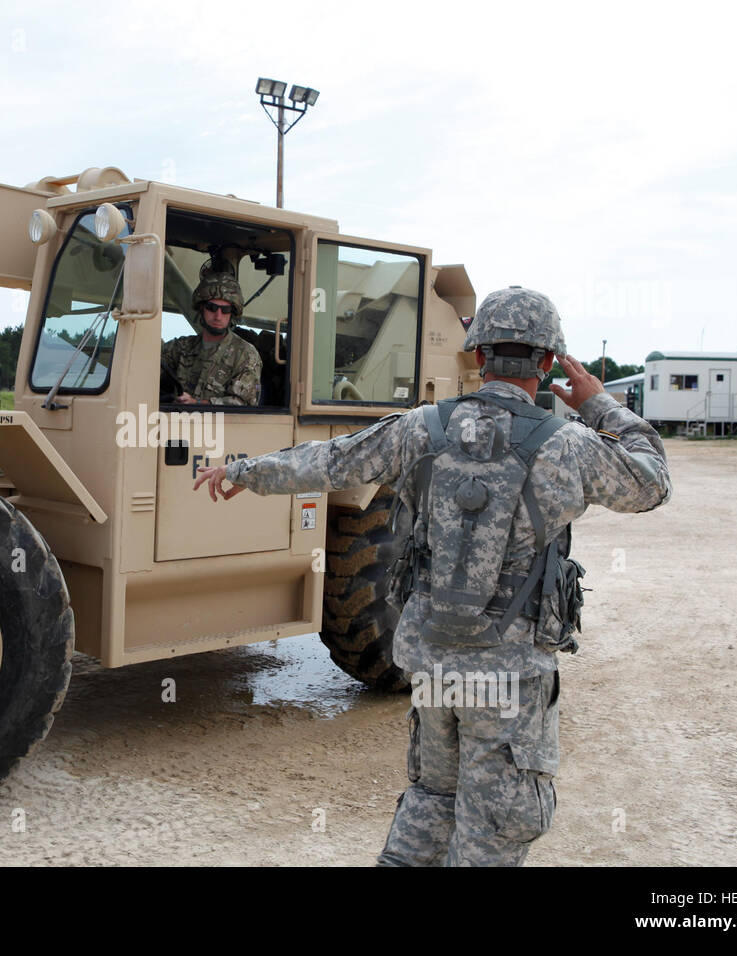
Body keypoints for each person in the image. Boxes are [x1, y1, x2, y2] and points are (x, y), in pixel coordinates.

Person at [193, 286, 672, 866]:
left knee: (431, 798)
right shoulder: (568, 446)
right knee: (494, 827)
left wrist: (243, 470)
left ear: (477, 356)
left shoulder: (422, 427)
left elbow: (332, 460)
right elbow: (652, 480)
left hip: (433, 659)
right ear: (548, 363)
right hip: (508, 672)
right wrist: (598, 403)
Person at [161, 271, 262, 406]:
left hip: (220, 426)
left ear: (232, 313)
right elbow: (146, 368)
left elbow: (240, 404)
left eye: (225, 310)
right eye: (212, 308)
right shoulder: (181, 347)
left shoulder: (245, 355)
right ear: (202, 309)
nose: (218, 316)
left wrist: (196, 403)